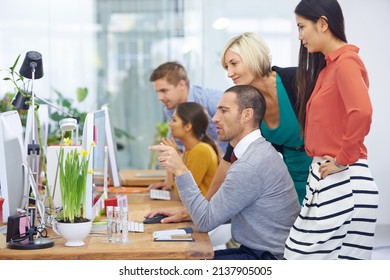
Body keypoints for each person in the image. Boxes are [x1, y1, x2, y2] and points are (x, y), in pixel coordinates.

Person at [150, 85, 300, 260]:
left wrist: (180, 170)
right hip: (257, 251)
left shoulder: (250, 164)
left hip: (266, 258)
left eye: (223, 111)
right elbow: (223, 209)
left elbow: (205, 222)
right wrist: (186, 214)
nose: (214, 118)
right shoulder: (255, 152)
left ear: (247, 115)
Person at [284, 0, 379, 260]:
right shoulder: (328, 68)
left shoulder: (346, 62)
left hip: (343, 178)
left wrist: (342, 159)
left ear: (323, 24)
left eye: (302, 27)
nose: (300, 36)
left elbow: (362, 112)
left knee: (299, 259)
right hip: (329, 177)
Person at [149, 61, 227, 190]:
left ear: (181, 84)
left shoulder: (213, 101)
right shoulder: (171, 107)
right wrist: (168, 183)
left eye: (164, 90)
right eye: (157, 92)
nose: (159, 97)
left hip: (229, 172)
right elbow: (173, 147)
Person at [150, 102, 220, 196]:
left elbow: (183, 195)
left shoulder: (201, 150)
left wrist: (175, 158)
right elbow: (177, 187)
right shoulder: (190, 150)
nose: (170, 124)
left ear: (187, 126)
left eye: (174, 120)